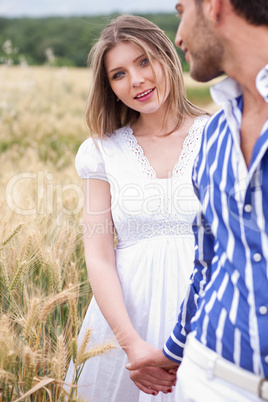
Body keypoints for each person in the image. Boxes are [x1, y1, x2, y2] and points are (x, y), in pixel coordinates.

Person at [127, 0, 268, 401]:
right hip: (205, 377)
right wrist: (172, 352)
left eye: (181, 11)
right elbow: (209, 262)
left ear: (214, 7)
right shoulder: (214, 136)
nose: (179, 37)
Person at [65, 14, 208, 402]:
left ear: (168, 57)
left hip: (208, 322)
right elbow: (97, 255)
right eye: (119, 74)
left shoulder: (219, 135)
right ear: (109, 88)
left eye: (144, 61)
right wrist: (132, 345)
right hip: (125, 324)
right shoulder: (101, 151)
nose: (137, 80)